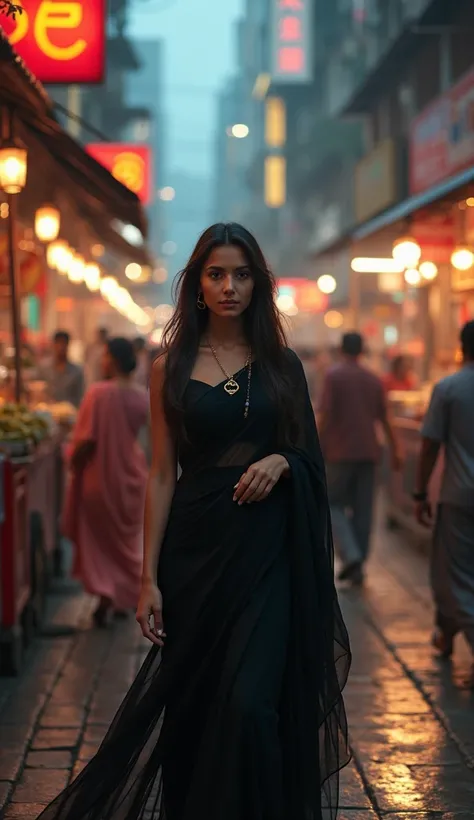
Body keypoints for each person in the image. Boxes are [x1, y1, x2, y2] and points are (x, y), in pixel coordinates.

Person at [37, 223, 351, 820]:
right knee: (198, 700)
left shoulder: (283, 365)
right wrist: (147, 577)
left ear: (258, 283)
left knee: (252, 703)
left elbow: (310, 455)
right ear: (197, 285)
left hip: (267, 553)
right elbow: (161, 473)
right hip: (194, 552)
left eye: (241, 274)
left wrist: (283, 462)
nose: (229, 286)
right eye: (216, 274)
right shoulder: (168, 365)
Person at [61, 337, 148, 627]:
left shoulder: (98, 393)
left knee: (102, 542)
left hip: (99, 479)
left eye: (106, 355)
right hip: (132, 479)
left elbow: (86, 440)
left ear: (114, 359)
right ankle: (124, 595)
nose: (102, 360)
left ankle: (107, 597)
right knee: (126, 543)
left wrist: (72, 462)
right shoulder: (142, 396)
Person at [319, 331, 401, 585]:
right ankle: (359, 562)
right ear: (362, 351)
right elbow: (385, 417)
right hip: (368, 451)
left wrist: (312, 445)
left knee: (332, 505)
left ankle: (351, 556)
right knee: (364, 509)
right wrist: (397, 448)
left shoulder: (333, 376)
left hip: (339, 452)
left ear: (341, 350)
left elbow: (325, 415)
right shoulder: (373, 379)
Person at [414, 320, 474, 662]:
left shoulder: (450, 388)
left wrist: (420, 493)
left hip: (460, 495)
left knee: (454, 573)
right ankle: (446, 635)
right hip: (458, 497)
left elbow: (429, 445)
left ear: (461, 346)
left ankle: (450, 633)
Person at [41, 330, 84, 408]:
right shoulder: (44, 368)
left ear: (68, 345)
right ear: (53, 345)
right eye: (58, 343)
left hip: (68, 415)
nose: (61, 347)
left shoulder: (77, 371)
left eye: (63, 343)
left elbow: (79, 398)